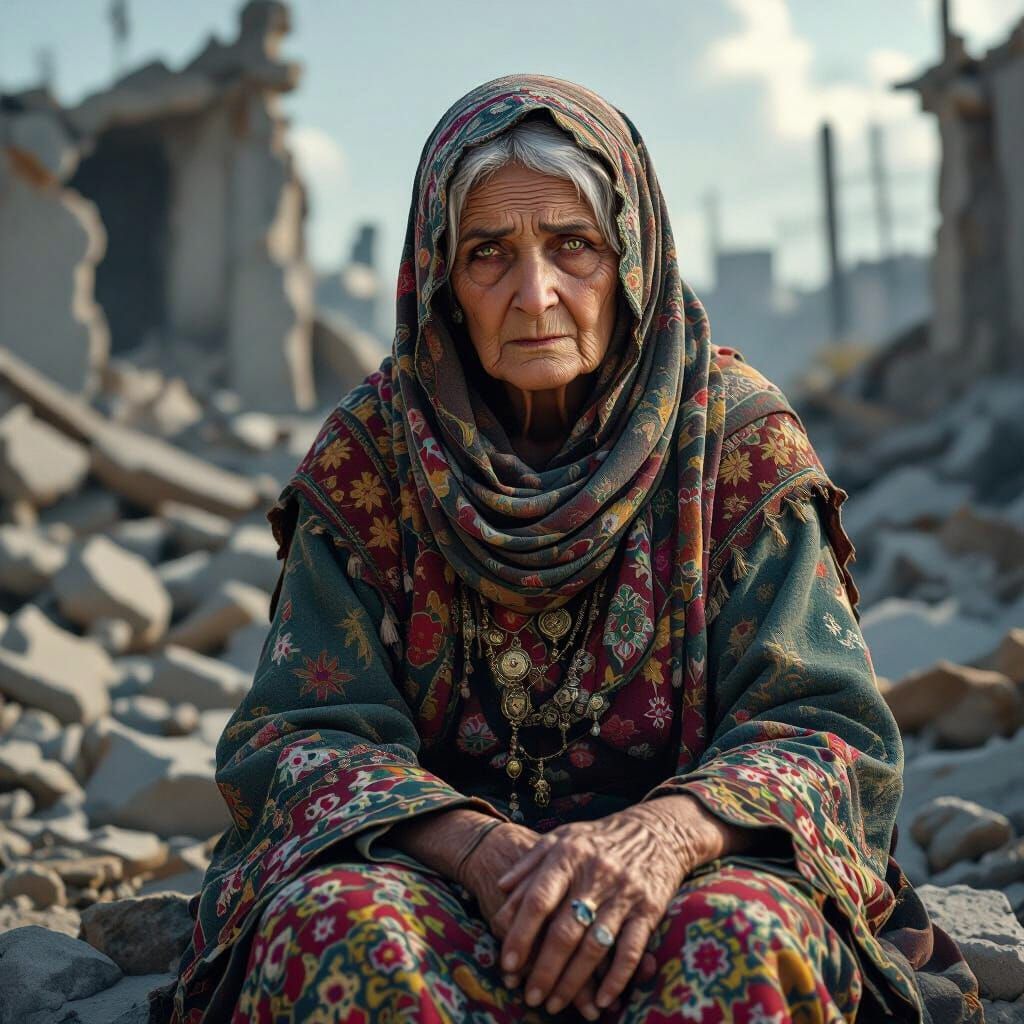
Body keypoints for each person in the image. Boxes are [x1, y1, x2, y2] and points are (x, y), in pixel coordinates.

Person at [172, 75, 980, 1023]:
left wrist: (662, 837)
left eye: (574, 245)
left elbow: (827, 729)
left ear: (632, 257)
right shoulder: (374, 453)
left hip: (689, 876)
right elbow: (296, 735)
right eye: (488, 254)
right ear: (439, 277)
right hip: (435, 879)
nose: (534, 293)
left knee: (747, 941)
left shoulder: (736, 440)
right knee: (341, 933)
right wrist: (479, 851)